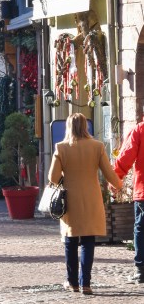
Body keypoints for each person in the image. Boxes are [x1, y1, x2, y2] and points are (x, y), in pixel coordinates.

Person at [48, 112, 122, 294]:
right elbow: (109, 173)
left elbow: (52, 177)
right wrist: (119, 186)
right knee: (88, 241)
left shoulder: (61, 147)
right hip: (91, 199)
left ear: (68, 127)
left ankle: (72, 282)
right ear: (85, 127)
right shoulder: (97, 146)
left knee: (70, 242)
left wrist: (66, 176)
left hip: (70, 201)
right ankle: (86, 283)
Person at [113, 114, 144, 284]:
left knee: (141, 229)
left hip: (143, 190)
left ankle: (141, 270)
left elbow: (125, 157)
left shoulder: (140, 130)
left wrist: (115, 179)